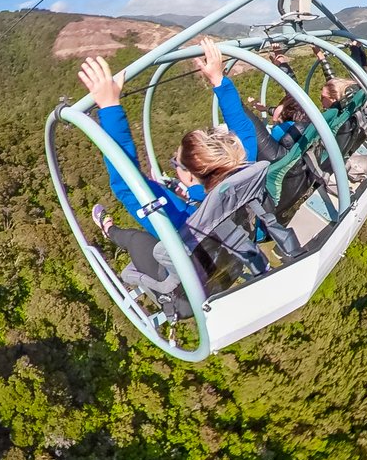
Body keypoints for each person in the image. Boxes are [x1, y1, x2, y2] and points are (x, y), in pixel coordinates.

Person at [83, 38, 299, 285]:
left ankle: (108, 230)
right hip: (237, 248)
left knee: (138, 242)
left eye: (177, 162)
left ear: (191, 173)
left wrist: (110, 108)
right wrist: (218, 79)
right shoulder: (244, 174)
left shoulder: (184, 221)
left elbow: (124, 182)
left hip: (204, 273)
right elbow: (244, 129)